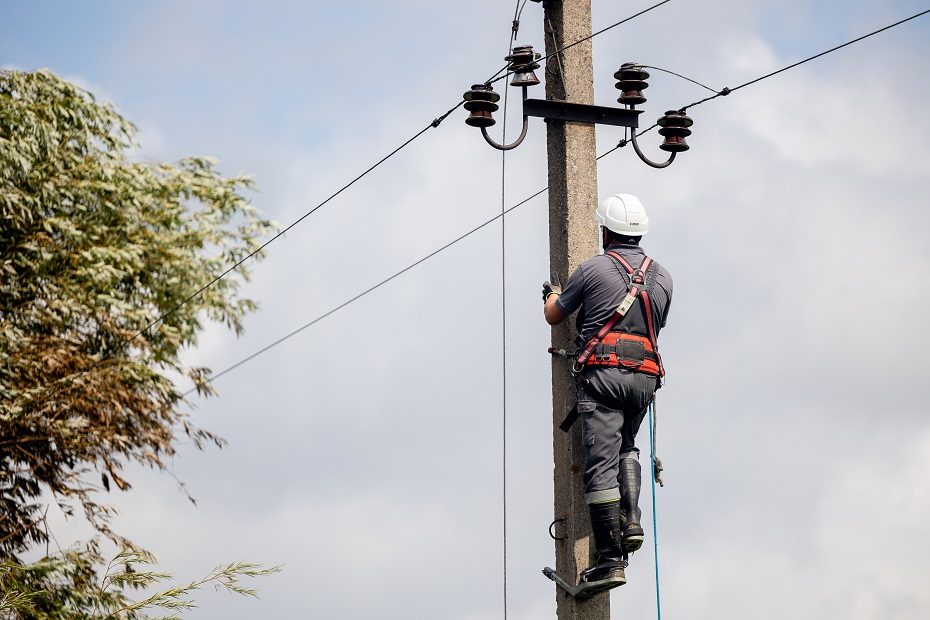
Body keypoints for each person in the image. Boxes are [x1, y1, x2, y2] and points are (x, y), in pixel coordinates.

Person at [542, 193, 673, 593]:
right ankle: (631, 520)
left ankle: (610, 560)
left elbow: (554, 314)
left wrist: (550, 293)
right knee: (626, 448)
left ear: (606, 232)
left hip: (605, 378)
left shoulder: (593, 268)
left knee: (599, 465)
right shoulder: (663, 276)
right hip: (645, 380)